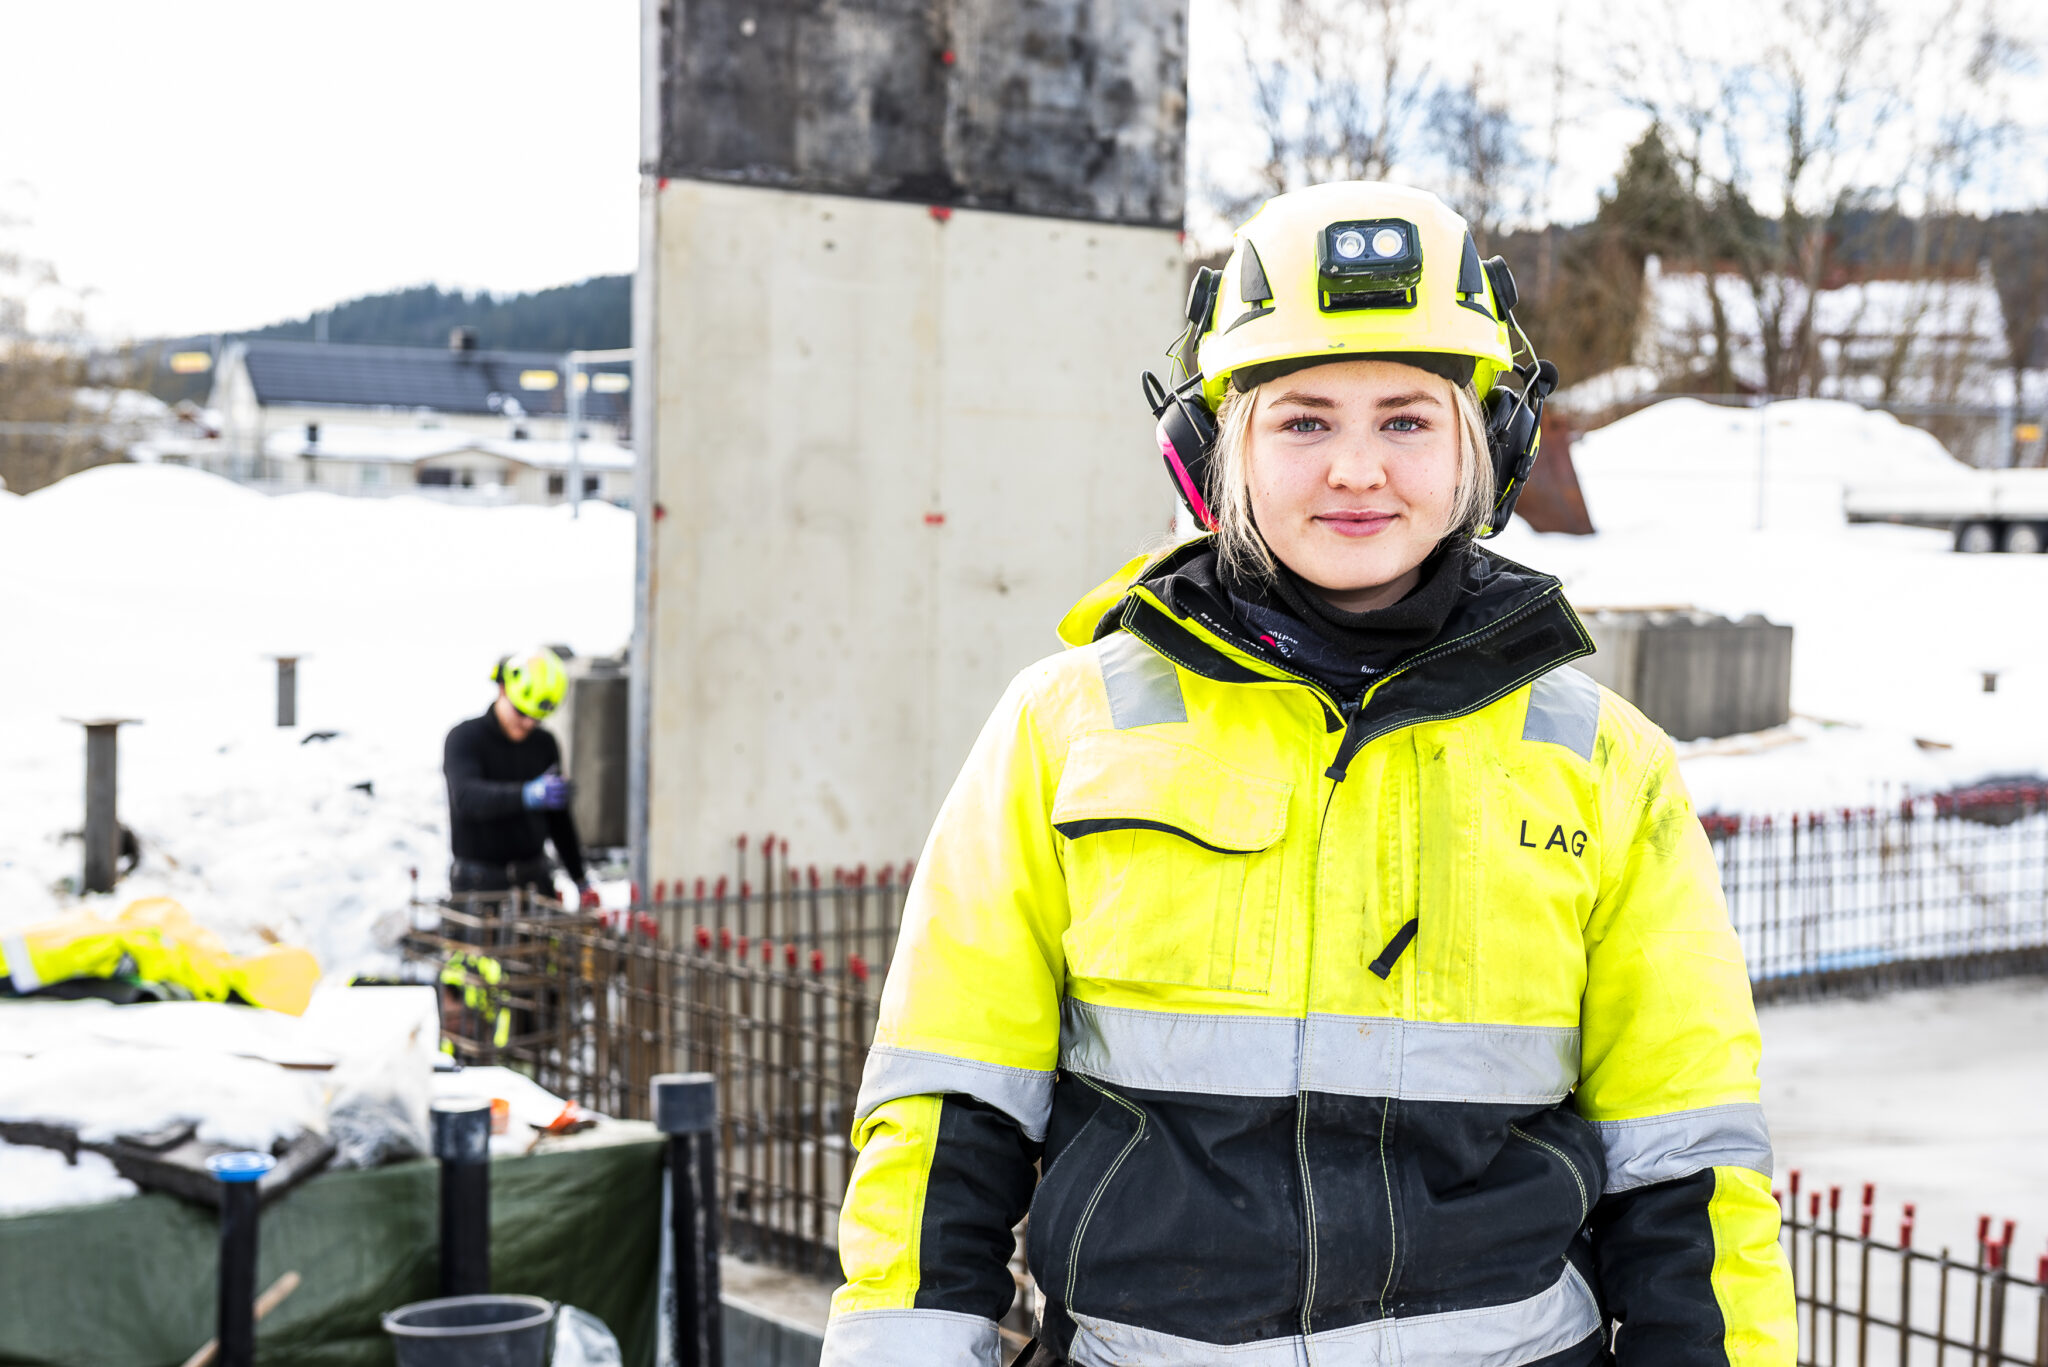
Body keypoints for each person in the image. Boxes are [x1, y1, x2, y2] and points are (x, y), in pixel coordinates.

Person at [820, 182, 1795, 1367]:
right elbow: (946, 1110)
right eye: (1300, 420)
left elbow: (1684, 1161)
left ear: (1483, 445)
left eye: (1402, 420)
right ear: (1211, 447)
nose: (1353, 469)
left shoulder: (1601, 762)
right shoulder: (1064, 726)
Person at [442, 645, 595, 907]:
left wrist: (580, 879)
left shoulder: (544, 744)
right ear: (503, 690)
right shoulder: (464, 738)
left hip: (534, 879)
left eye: (537, 718)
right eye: (522, 713)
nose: (528, 724)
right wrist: (527, 794)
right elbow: (468, 798)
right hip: (479, 886)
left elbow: (558, 820)